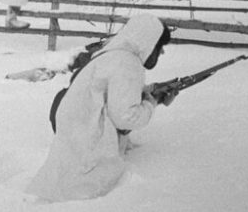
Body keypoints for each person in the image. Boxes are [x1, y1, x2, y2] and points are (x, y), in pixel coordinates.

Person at [27, 14, 172, 202]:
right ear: (148, 43)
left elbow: (110, 94)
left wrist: (147, 93)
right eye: (160, 47)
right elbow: (126, 117)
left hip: (76, 133)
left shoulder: (111, 55)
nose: (161, 53)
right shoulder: (128, 63)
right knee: (81, 195)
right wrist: (151, 103)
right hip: (90, 144)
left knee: (60, 184)